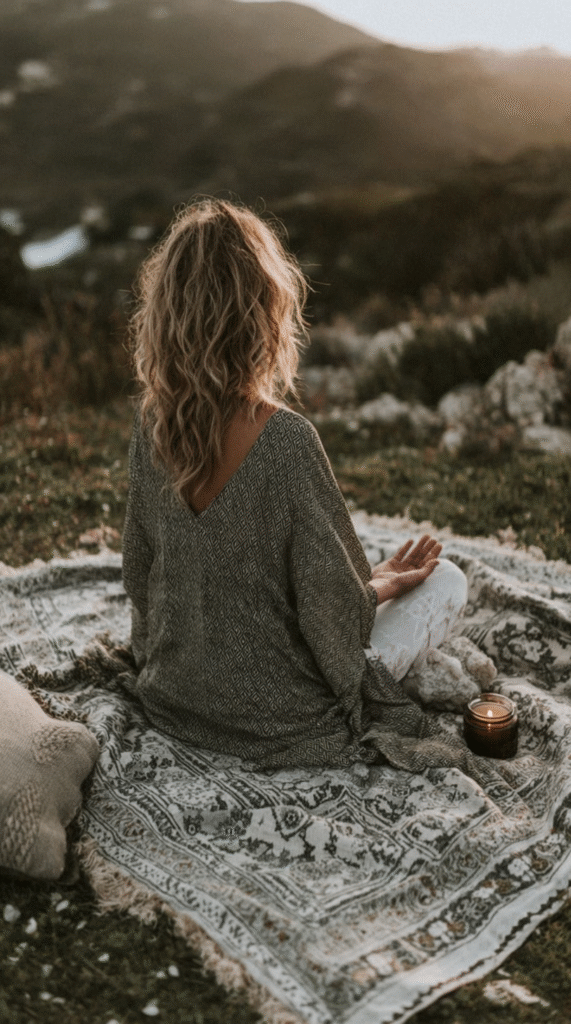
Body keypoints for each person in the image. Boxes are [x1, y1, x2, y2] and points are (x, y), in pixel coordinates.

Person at [122, 198, 468, 770]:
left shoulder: (149, 424)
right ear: (262, 311)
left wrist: (364, 580)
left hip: (172, 697)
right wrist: (376, 588)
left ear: (167, 313)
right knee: (447, 581)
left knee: (365, 575)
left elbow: (140, 575)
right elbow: (331, 619)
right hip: (278, 719)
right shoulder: (285, 442)